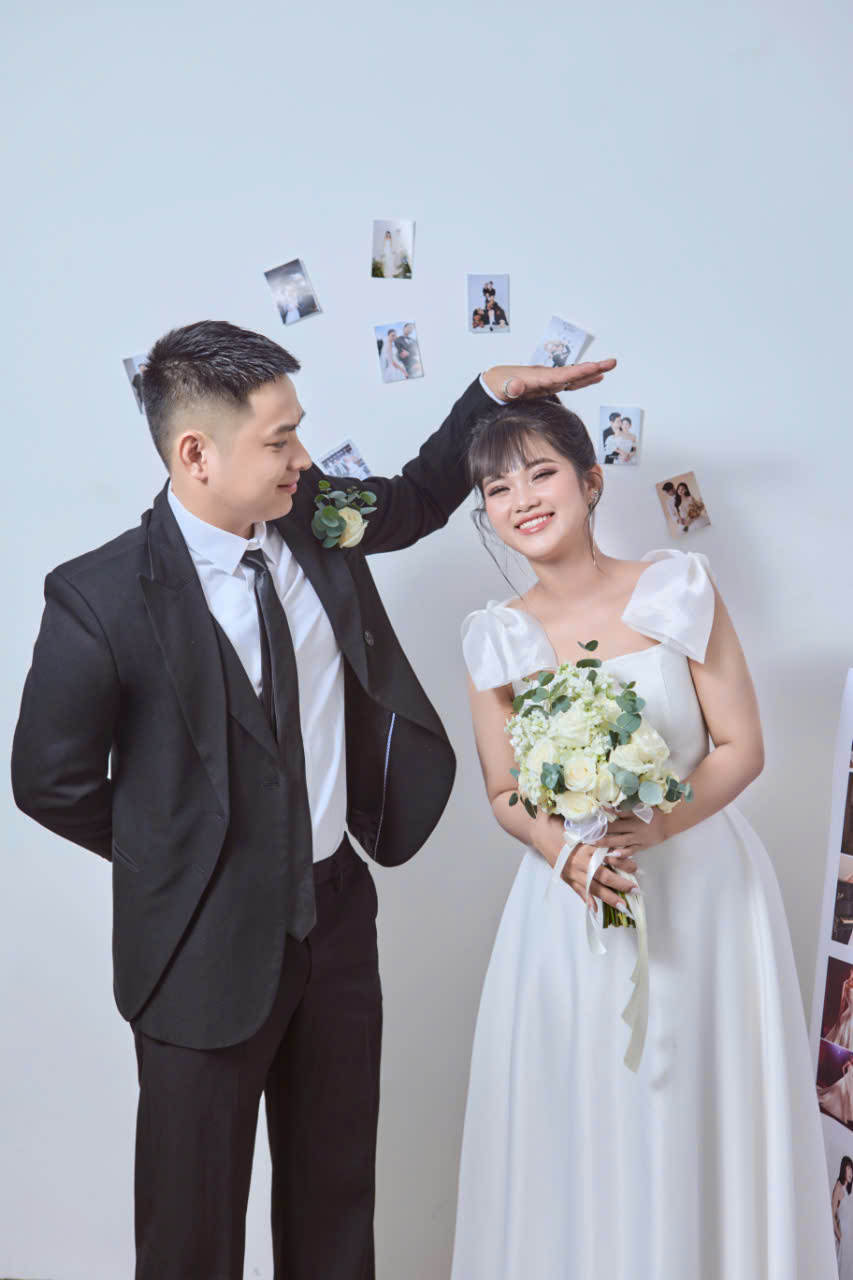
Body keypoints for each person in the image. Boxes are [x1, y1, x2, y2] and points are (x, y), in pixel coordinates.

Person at [10, 319, 614, 1280]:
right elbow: (51, 783)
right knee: (189, 1236)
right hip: (196, 946)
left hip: (335, 922)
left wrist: (489, 397)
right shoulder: (100, 596)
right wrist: (184, 856)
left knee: (335, 1209)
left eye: (298, 432)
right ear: (196, 454)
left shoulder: (313, 514)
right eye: (280, 440)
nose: (303, 457)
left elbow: (415, 499)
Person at [450, 396, 836, 1278]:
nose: (522, 499)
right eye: (498, 488)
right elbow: (504, 793)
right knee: (587, 1104)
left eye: (541, 473)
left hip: (704, 893)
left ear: (590, 482)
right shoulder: (496, 637)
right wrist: (567, 853)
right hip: (571, 907)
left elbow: (741, 747)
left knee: (699, 1093)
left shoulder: (674, 587)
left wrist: (658, 824)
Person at [832, 1158, 853, 1271]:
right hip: (844, 1241)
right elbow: (832, 1215)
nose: (851, 1173)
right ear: (843, 1168)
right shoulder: (838, 1187)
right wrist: (839, 1236)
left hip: (850, 1240)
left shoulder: (846, 1190)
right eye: (849, 1168)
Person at [818, 1056, 853, 1124]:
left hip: (850, 1080)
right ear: (850, 1058)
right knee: (840, 1090)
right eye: (852, 1058)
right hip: (846, 1079)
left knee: (849, 1094)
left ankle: (848, 1114)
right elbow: (843, 1068)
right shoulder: (848, 1063)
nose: (852, 1059)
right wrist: (844, 1074)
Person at [827, 970, 853, 1048]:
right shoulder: (846, 983)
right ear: (851, 971)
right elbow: (843, 1001)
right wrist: (839, 1017)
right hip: (850, 1012)